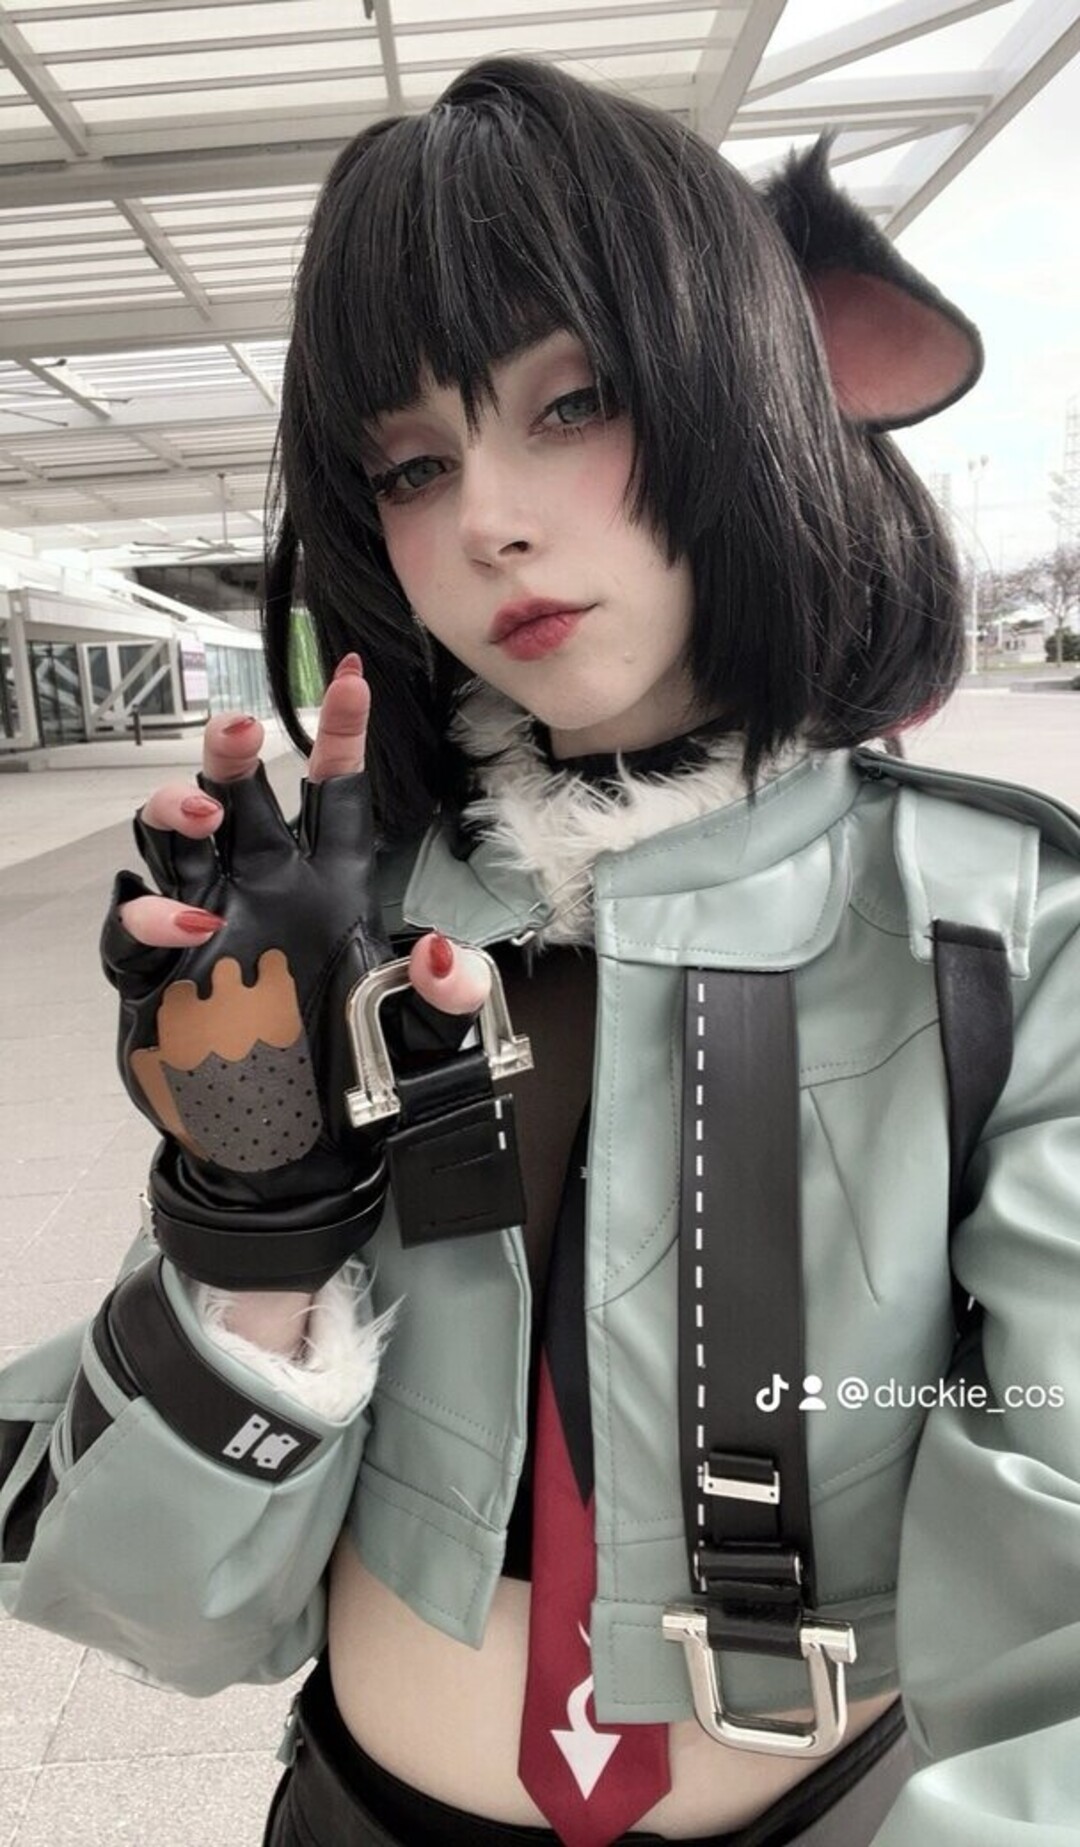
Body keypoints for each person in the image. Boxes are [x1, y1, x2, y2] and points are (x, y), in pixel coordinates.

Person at [2, 52, 1079, 1847]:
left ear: (759, 382)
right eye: (414, 463)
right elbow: (165, 1609)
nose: (488, 517)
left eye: (573, 402)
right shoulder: (372, 922)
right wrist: (252, 1220)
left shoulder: (1006, 924)